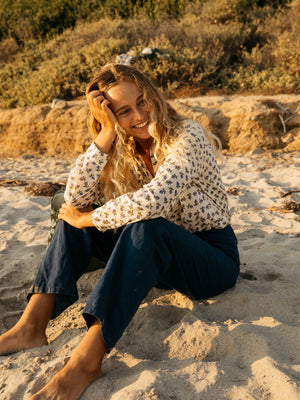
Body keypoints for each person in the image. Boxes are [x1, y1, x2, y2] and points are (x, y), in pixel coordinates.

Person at [0, 63, 240, 399]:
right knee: (76, 219)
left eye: (143, 101)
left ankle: (86, 362)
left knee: (142, 225)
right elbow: (74, 200)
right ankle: (30, 326)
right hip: (151, 256)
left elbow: (156, 199)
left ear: (154, 96)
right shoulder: (121, 145)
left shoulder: (187, 135)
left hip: (211, 259)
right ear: (111, 115)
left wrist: (91, 219)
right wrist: (106, 135)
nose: (140, 115)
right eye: (124, 111)